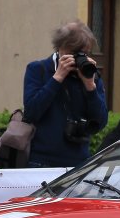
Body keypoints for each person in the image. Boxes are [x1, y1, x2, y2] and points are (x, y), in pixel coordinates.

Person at [21, 20, 109, 168]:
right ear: (60, 47)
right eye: (74, 53)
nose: (78, 58)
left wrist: (90, 87)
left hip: (79, 163)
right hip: (42, 162)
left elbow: (101, 122)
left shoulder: (90, 75)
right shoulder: (39, 69)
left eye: (84, 53)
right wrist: (57, 78)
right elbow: (31, 113)